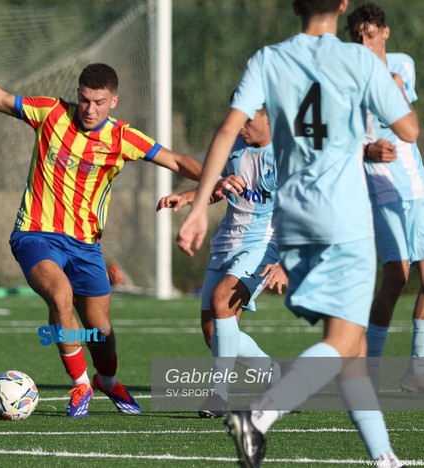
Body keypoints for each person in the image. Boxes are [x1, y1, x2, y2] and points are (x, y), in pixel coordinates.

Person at [175, 0, 418, 466]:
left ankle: (385, 458)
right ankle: (259, 416)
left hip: (293, 218)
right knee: (346, 340)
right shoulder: (361, 61)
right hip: (341, 218)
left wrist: (198, 207)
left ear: (294, 6)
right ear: (342, 5)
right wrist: (386, 89)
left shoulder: (268, 59)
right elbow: (408, 128)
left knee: (351, 345)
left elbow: (229, 127)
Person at [0, 32, 203, 418]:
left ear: (113, 101)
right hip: (35, 234)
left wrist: (213, 182)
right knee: (60, 296)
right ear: (77, 94)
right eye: (84, 99)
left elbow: (179, 161)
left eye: (99, 102)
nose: (90, 108)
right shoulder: (50, 112)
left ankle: (107, 380)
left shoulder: (122, 137)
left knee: (100, 330)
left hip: (85, 245)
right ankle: (80, 383)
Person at [158, 107, 287, 419]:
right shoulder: (233, 147)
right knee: (212, 332)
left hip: (263, 245)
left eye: (248, 120)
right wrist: (188, 198)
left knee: (221, 301)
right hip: (225, 242)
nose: (240, 126)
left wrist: (284, 261)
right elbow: (220, 189)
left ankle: (218, 395)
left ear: (268, 118)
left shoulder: (286, 155)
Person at [346, 3, 424, 393]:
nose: (364, 41)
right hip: (379, 186)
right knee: (396, 278)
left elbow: (409, 124)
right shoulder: (344, 79)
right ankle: (370, 372)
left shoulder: (403, 67)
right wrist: (366, 150)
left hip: (416, 185)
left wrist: (393, 89)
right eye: (357, 36)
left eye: (370, 34)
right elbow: (339, 138)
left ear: (385, 33)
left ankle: (417, 371)